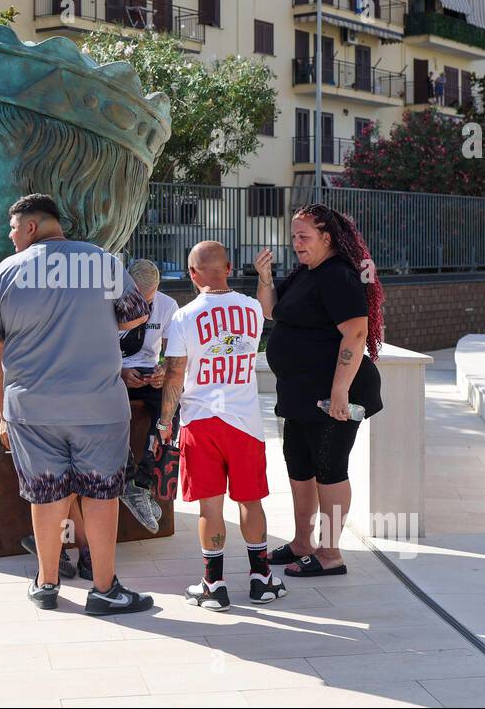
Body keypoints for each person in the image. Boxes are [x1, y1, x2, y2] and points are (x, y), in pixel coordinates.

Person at [0, 193, 155, 615]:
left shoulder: (3, 272)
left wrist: (3, 415)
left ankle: (47, 582)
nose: (10, 234)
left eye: (14, 227)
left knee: (45, 495)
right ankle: (105, 590)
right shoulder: (103, 262)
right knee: (100, 494)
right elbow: (135, 317)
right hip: (99, 406)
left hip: (31, 408)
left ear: (33, 226)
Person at [156, 241, 288, 611]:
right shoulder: (250, 310)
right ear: (229, 268)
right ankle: (261, 578)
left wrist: (166, 420)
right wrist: (264, 278)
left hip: (200, 423)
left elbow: (176, 373)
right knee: (251, 500)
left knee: (210, 508)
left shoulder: (183, 317)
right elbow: (266, 307)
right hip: (244, 422)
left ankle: (214, 585)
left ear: (191, 272)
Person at [255, 205, 384, 577]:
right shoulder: (305, 274)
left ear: (327, 238)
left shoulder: (339, 276)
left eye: (304, 236)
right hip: (299, 394)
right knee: (299, 466)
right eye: (294, 236)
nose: (296, 243)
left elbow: (356, 333)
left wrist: (340, 391)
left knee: (330, 470)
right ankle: (301, 543)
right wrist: (265, 278)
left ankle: (330, 554)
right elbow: (271, 312)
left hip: (334, 394)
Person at [117, 258, 178, 532]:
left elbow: (173, 355)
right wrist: (119, 372)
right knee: (108, 411)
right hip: (112, 371)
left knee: (170, 408)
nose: (143, 308)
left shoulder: (168, 305)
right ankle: (126, 478)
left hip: (147, 371)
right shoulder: (108, 302)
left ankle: (141, 484)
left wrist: (163, 372)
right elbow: (93, 350)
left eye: (149, 300)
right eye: (137, 300)